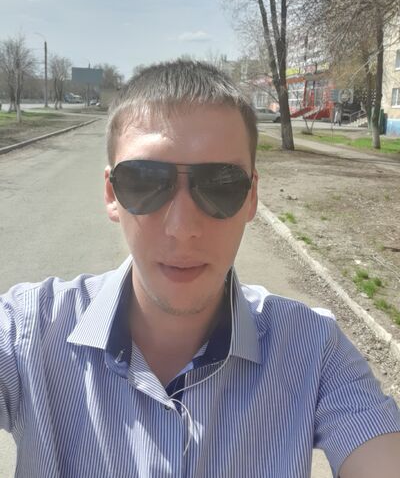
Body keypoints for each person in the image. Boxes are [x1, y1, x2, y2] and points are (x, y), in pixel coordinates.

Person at [1, 60, 399, 478]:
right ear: (112, 194)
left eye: (221, 185)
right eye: (144, 181)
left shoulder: (314, 351)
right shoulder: (29, 331)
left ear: (251, 198)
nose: (182, 228)